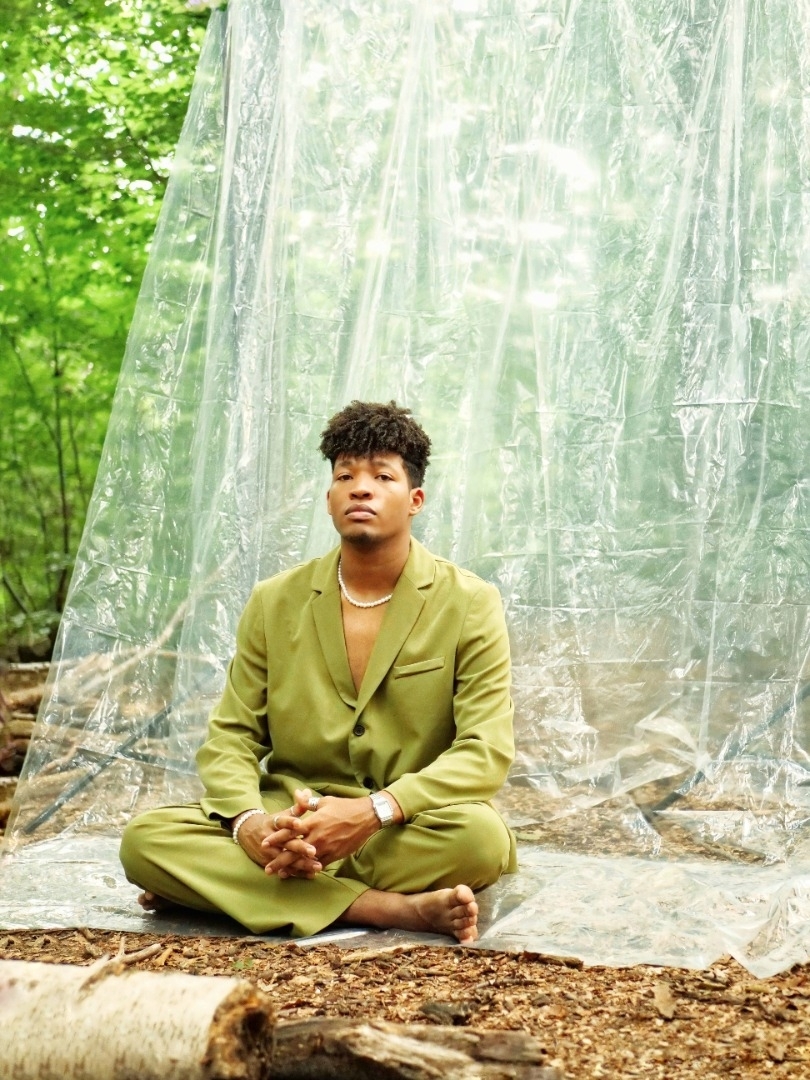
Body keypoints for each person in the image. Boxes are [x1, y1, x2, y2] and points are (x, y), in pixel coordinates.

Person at [120, 400, 516, 944]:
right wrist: (250, 824)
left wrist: (371, 812)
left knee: (479, 839)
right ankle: (389, 909)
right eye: (345, 476)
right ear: (329, 498)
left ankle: (231, 888)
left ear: (415, 500)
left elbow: (485, 750)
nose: (361, 489)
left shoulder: (470, 601)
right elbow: (231, 736)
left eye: (382, 476)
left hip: (400, 824)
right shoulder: (274, 601)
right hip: (290, 818)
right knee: (145, 840)